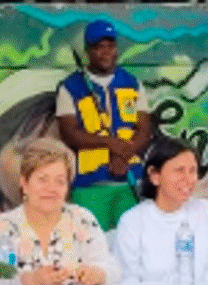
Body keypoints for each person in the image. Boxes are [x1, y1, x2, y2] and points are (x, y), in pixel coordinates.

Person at [0, 138, 121, 285]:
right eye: (42, 179)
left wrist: (98, 274)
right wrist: (33, 280)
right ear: (24, 183)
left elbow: (112, 268)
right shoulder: (3, 226)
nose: (51, 188)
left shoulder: (81, 219)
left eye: (60, 181)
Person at [56, 19, 152, 232]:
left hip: (129, 180)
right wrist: (110, 143)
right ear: (87, 51)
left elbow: (144, 130)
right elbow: (69, 133)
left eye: (110, 46)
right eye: (99, 47)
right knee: (90, 244)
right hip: (90, 185)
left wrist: (123, 156)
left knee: (132, 243)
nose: (106, 52)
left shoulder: (133, 83)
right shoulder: (70, 87)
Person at [114, 136, 208, 283]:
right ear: (155, 176)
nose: (188, 179)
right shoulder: (132, 221)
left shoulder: (206, 211)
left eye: (193, 170)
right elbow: (127, 281)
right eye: (179, 170)